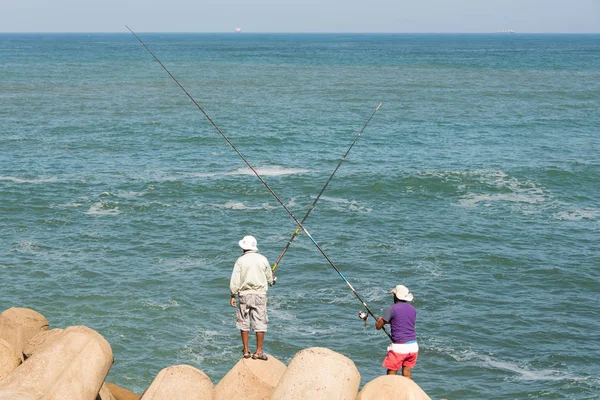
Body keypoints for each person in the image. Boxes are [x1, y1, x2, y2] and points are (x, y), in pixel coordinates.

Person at [229, 235, 274, 360]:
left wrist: (233, 295)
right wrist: (272, 279)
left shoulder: (240, 261)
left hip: (244, 295)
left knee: (243, 322)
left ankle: (246, 351)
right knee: (260, 322)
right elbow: (270, 279)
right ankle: (258, 352)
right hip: (260, 295)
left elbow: (235, 281)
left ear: (244, 248)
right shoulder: (263, 259)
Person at [376, 284, 418, 378]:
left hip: (400, 347)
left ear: (395, 296)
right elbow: (402, 322)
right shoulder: (413, 310)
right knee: (406, 373)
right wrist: (387, 321)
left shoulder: (391, 309)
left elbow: (378, 326)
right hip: (413, 346)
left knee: (391, 374)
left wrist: (379, 321)